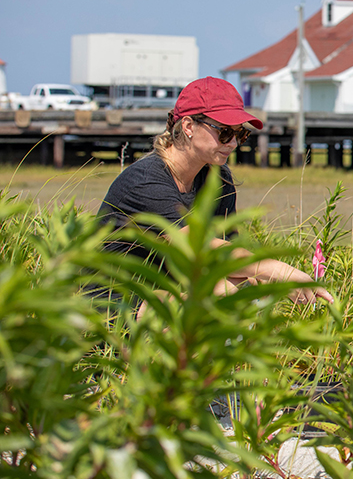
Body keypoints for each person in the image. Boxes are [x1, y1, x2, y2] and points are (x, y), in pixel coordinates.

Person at [98, 76, 332, 306]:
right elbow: (196, 245)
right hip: (114, 303)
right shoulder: (146, 181)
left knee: (235, 283)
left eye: (240, 133)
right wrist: (278, 271)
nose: (233, 143)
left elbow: (229, 248)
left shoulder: (218, 178)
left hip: (169, 291)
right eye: (224, 132)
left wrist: (258, 277)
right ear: (189, 126)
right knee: (228, 287)